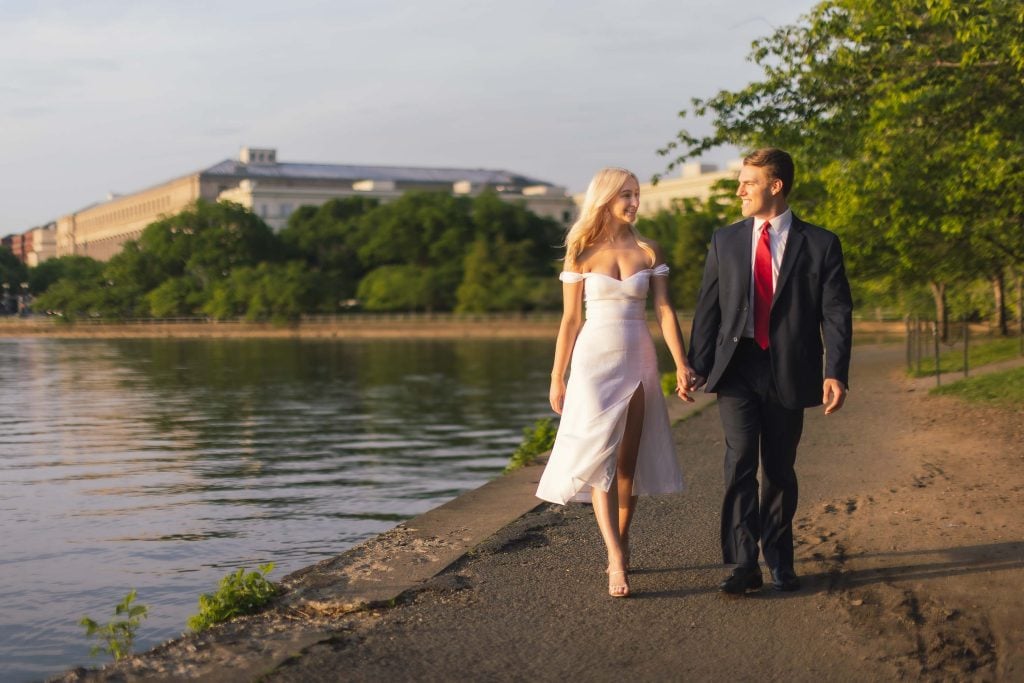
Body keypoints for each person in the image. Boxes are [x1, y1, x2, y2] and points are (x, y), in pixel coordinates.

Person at [688, 148, 852, 594]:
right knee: (740, 459)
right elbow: (709, 309)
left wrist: (835, 371)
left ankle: (780, 558)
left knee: (779, 468)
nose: (739, 190)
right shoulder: (726, 239)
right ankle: (743, 563)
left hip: (789, 370)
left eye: (748, 182)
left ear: (775, 186)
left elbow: (836, 313)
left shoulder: (820, 243)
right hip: (737, 368)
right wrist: (695, 365)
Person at [536, 167, 694, 598]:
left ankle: (618, 547)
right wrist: (557, 376)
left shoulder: (648, 249)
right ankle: (616, 560)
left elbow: (664, 311)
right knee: (600, 462)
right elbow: (570, 320)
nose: (634, 202)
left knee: (627, 464)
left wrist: (680, 363)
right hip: (592, 363)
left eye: (637, 194)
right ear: (605, 197)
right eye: (626, 194)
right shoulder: (581, 251)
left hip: (638, 358)